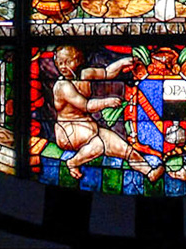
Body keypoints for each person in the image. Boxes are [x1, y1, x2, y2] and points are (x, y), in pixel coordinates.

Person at [46, 48, 163, 183]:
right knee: (99, 144)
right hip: (69, 130)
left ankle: (149, 172)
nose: (63, 67)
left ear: (78, 60)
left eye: (67, 62)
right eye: (59, 63)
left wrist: (123, 62)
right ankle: (73, 163)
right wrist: (106, 102)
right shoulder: (62, 86)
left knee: (123, 148)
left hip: (87, 128)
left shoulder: (86, 74)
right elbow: (86, 105)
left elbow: (107, 73)